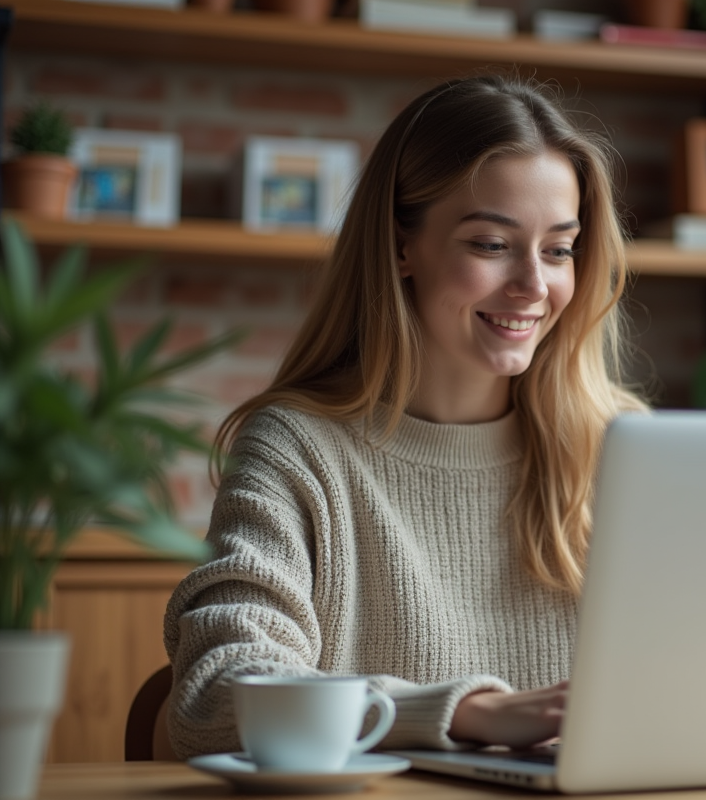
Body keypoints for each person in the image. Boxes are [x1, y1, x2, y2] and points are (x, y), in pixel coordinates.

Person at [163, 74, 647, 760]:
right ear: (400, 247)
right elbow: (215, 693)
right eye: (490, 244)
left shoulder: (621, 447)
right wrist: (469, 713)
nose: (534, 286)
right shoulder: (298, 449)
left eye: (559, 248)